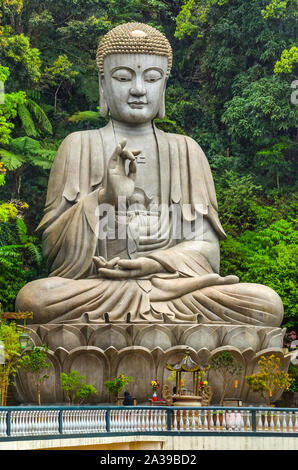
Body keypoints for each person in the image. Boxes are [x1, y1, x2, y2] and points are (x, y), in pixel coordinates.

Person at [16, 23, 283, 327]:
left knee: (265, 304)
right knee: (34, 300)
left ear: (163, 85)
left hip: (173, 291)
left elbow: (208, 253)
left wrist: (151, 263)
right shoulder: (78, 146)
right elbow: (54, 253)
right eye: (122, 77)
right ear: (103, 85)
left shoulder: (187, 151)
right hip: (101, 289)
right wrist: (105, 197)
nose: (139, 89)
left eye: (152, 78)